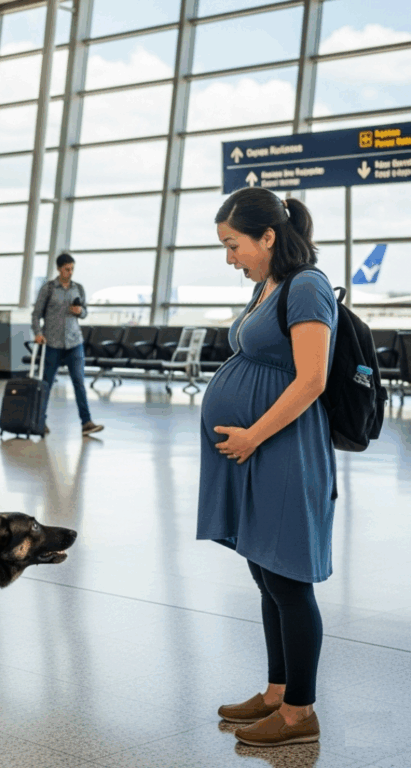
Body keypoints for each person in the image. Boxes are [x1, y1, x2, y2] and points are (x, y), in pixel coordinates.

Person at [197, 187, 338, 748]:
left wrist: (254, 434)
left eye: (233, 245)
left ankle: (300, 714)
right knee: (264, 571)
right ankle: (279, 690)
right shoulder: (268, 285)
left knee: (288, 578)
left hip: (283, 448)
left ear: (268, 236)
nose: (230, 257)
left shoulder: (307, 286)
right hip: (259, 452)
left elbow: (312, 378)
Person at [32, 253, 103, 436]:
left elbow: (85, 312)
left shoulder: (78, 288)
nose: (70, 272)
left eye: (72, 269)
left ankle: (86, 423)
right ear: (58, 268)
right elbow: (36, 314)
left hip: (74, 343)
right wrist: (38, 333)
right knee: (46, 384)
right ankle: (39, 421)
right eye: (67, 269)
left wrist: (80, 312)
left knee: (79, 382)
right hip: (53, 343)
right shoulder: (48, 289)